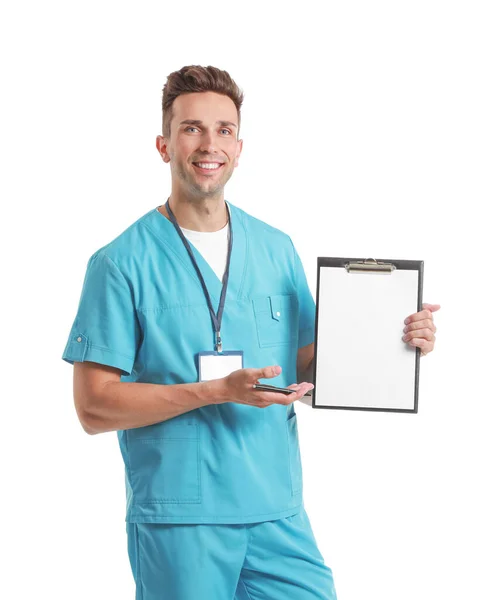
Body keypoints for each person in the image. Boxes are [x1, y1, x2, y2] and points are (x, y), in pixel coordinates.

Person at [62, 65, 440, 600]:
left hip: (276, 512)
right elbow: (93, 408)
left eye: (223, 130)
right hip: (181, 520)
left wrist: (396, 343)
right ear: (163, 145)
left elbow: (309, 366)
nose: (208, 143)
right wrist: (215, 392)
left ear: (239, 147)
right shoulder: (120, 263)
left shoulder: (275, 248)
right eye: (191, 128)